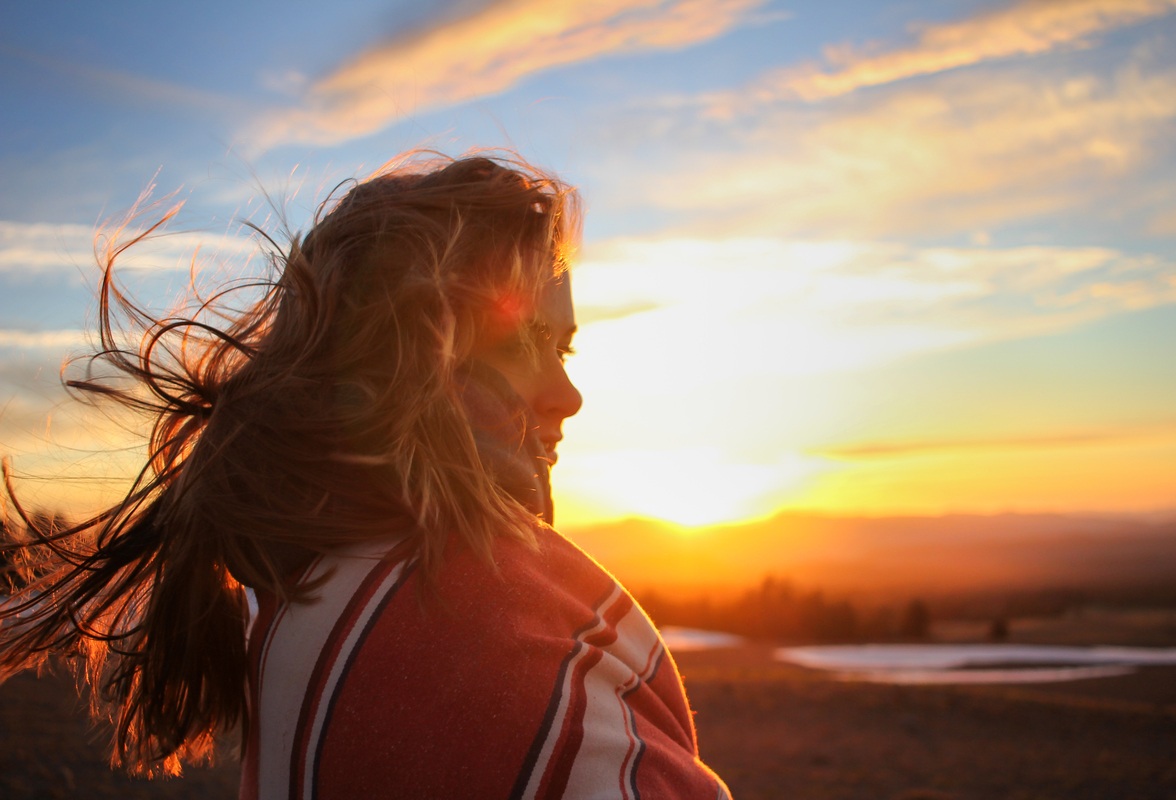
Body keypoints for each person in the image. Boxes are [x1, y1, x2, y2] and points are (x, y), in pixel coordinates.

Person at [0, 154, 732, 799]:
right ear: (417, 353)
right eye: (525, 341)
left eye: (565, 350)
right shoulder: (493, 629)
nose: (567, 396)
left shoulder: (309, 586)